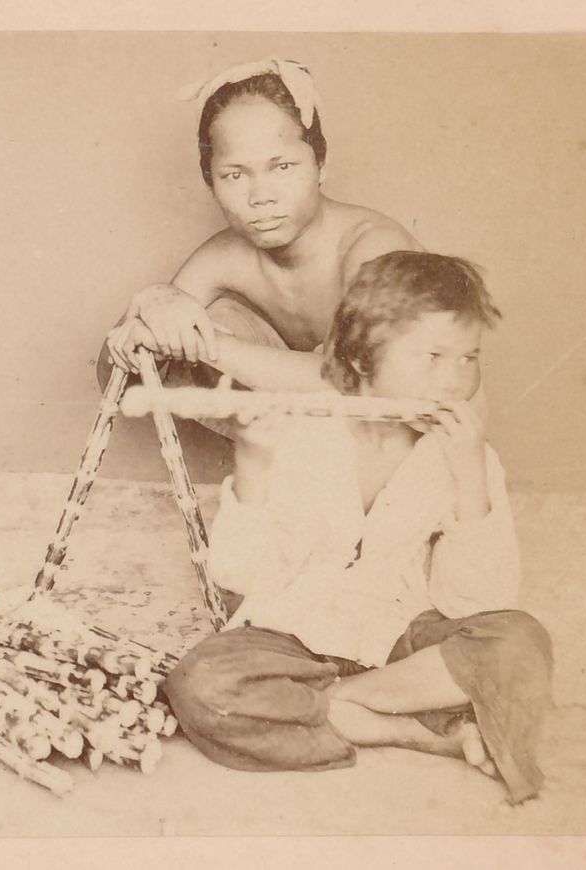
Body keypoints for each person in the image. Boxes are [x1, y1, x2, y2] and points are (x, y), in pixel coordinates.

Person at [163, 251, 554, 804]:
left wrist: (469, 476)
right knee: (202, 687)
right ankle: (415, 731)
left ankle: (342, 704)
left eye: (469, 358)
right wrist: (253, 465)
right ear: (364, 357)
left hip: (400, 641)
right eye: (434, 356)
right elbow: (243, 573)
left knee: (519, 643)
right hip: (292, 636)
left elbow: (476, 601)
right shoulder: (301, 432)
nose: (454, 380)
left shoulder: (467, 457)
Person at [100, 58, 420, 404]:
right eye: (235, 175)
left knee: (205, 332)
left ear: (321, 165)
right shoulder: (225, 255)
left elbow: (352, 384)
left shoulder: (373, 247)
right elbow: (113, 380)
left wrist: (210, 345)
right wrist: (156, 310)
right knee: (202, 317)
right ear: (210, 184)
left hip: (422, 442)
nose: (261, 196)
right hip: (320, 439)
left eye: (282, 167)